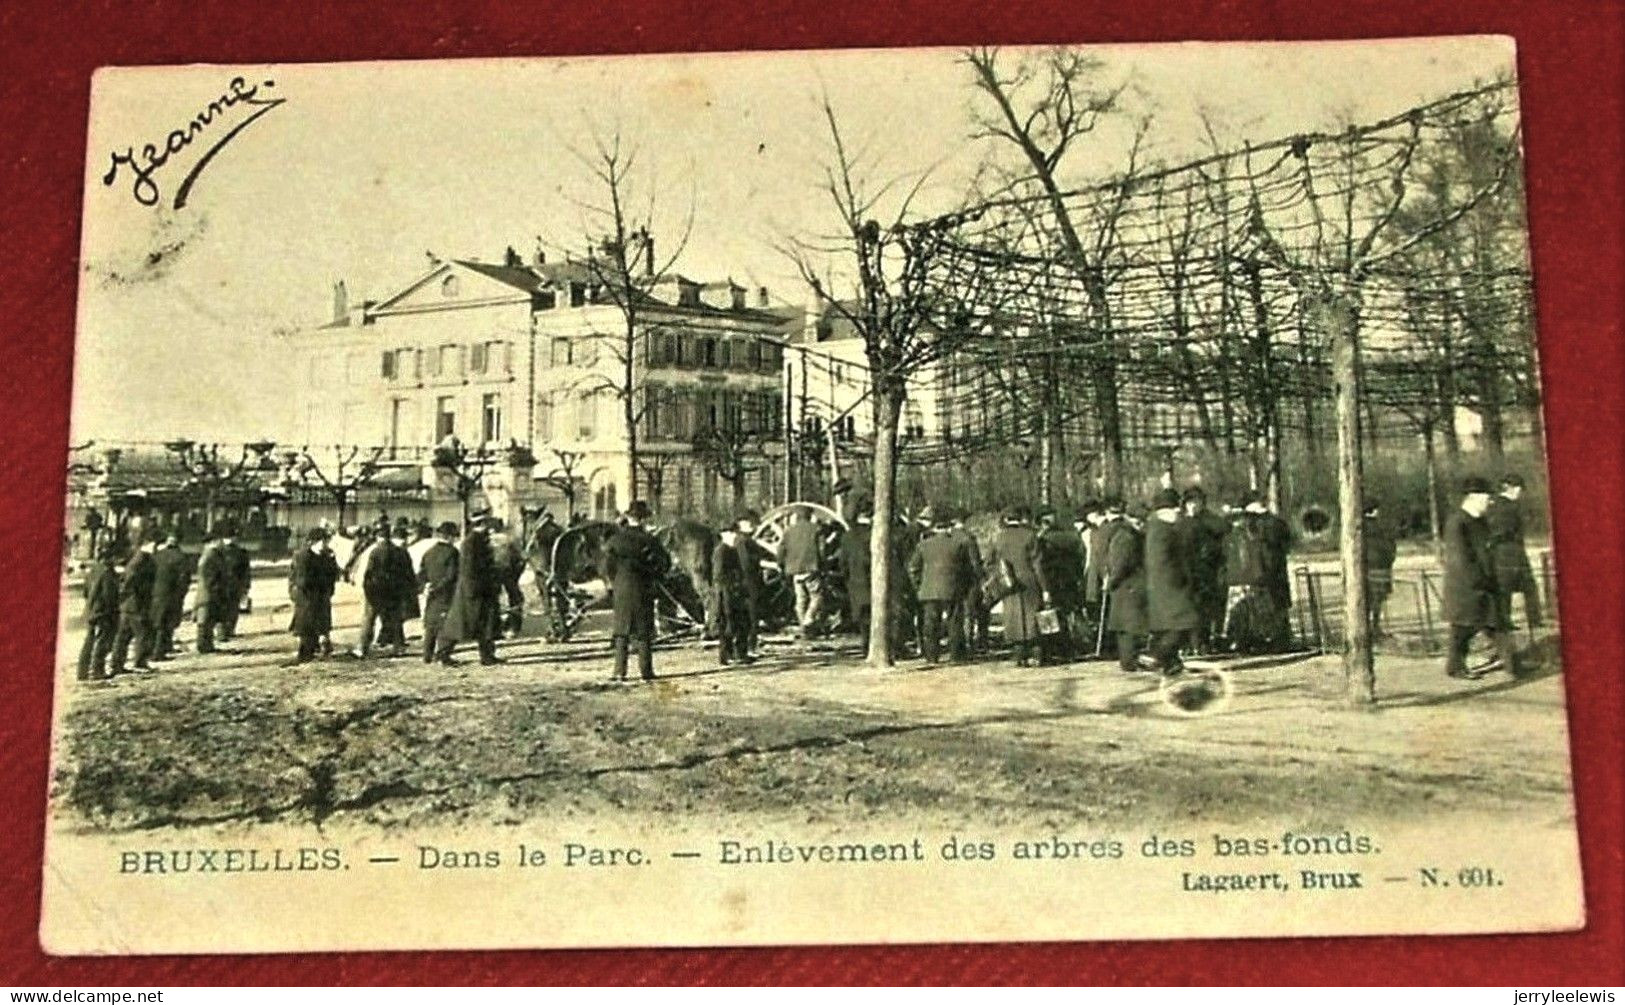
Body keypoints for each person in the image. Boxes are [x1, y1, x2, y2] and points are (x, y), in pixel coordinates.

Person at [1443, 477, 1521, 680]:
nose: (1490, 502)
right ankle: (1456, 667)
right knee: (1463, 629)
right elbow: (1460, 559)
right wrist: (1479, 580)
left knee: (1497, 625)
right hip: (1467, 588)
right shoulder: (1457, 523)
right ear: (1473, 498)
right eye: (1487, 498)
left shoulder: (1480, 522)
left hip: (1485, 585)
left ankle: (1514, 666)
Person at [603, 500, 671, 681]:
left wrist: (615, 582)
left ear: (628, 517)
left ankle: (619, 672)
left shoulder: (615, 540)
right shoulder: (649, 540)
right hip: (643, 589)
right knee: (643, 632)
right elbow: (664, 563)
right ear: (642, 519)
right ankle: (646, 672)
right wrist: (654, 576)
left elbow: (608, 567)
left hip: (621, 590)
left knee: (621, 631)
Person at [437, 510, 504, 666]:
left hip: (483, 590)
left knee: (486, 624)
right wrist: (473, 590)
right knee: (460, 624)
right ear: (482, 524)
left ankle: (487, 656)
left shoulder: (480, 539)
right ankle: (443, 654)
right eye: (487, 522)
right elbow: (468, 569)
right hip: (473, 591)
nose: (490, 526)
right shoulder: (470, 542)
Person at [1145, 489, 1200, 675]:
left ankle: (1172, 664)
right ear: (1166, 512)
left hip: (1163, 585)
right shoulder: (1163, 530)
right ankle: (1157, 655)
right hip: (1171, 585)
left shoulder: (1156, 528)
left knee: (1168, 625)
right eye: (1175, 509)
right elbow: (1166, 560)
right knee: (1186, 622)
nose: (1179, 512)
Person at [988, 505, 1047, 667]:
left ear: (1006, 519)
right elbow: (1038, 565)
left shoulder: (998, 538)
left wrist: (997, 578)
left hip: (1009, 582)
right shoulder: (1030, 536)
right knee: (1032, 616)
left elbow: (989, 562)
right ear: (1020, 519)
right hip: (1030, 580)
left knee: (1013, 616)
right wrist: (1045, 587)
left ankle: (1018, 654)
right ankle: (1036, 654)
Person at [909, 513, 971, 664]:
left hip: (929, 589)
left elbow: (913, 568)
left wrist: (919, 585)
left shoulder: (923, 545)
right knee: (954, 623)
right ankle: (956, 656)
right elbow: (967, 569)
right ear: (949, 528)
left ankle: (931, 656)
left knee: (930, 624)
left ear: (934, 528)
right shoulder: (959, 544)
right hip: (953, 588)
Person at [1485, 474, 1543, 631]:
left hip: (1507, 550)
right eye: (1517, 488)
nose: (1519, 492)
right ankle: (1532, 621)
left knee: (1512, 587)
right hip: (1507, 551)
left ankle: (1517, 621)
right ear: (1509, 487)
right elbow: (1502, 529)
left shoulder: (1493, 504)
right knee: (1512, 587)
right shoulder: (1505, 506)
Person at [1240, 490, 1295, 646]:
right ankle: (1281, 638)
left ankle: (1262, 639)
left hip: (1257, 572)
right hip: (1278, 572)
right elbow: (1287, 545)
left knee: (1260, 607)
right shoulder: (1278, 522)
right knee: (1278, 606)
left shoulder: (1249, 524)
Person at [357, 519, 419, 658]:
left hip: (376, 591)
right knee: (395, 619)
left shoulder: (375, 552)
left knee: (369, 619)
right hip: (394, 592)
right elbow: (408, 573)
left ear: (378, 536)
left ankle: (363, 648)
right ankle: (399, 647)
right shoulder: (401, 552)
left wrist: (368, 589)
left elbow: (369, 574)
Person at [1180, 487, 1229, 653]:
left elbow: (1223, 529)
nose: (1193, 506)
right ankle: (1188, 643)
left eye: (1197, 502)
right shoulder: (1181, 522)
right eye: (1190, 503)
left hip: (1206, 572)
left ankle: (1203, 642)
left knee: (1204, 609)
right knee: (1187, 609)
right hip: (1186, 572)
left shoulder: (1209, 520)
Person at [1035, 506, 1085, 662]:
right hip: (1068, 579)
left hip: (1051, 580)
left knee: (1049, 615)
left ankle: (1051, 649)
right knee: (1067, 614)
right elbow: (1081, 555)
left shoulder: (1040, 539)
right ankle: (1069, 649)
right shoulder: (1070, 536)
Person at [1103, 506, 1148, 673]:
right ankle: (1128, 660)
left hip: (1127, 586)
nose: (1141, 524)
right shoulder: (1127, 537)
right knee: (1128, 626)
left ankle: (1129, 659)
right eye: (1138, 520)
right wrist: (1112, 582)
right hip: (1127, 586)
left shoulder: (1127, 535)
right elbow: (1120, 564)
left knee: (1128, 625)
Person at [287, 527, 341, 666]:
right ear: (313, 542)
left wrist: (332, 567)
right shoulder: (303, 556)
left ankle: (321, 645)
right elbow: (302, 579)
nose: (324, 544)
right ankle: (305, 652)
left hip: (322, 595)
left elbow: (334, 574)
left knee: (322, 622)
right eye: (322, 541)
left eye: (326, 541)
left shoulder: (327, 555)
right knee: (307, 625)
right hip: (306, 596)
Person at [110, 532, 159, 675]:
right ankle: (140, 663)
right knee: (143, 633)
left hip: (129, 605)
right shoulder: (141, 561)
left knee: (123, 635)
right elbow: (128, 583)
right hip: (136, 605)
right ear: (147, 544)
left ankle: (116, 664)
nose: (155, 547)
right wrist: (135, 599)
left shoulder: (141, 559)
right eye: (154, 544)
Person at [710, 519, 754, 665]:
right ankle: (729, 655)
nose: (734, 536)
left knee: (736, 623)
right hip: (726, 593)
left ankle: (734, 654)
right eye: (731, 533)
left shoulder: (730, 550)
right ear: (724, 535)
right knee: (729, 623)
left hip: (732, 591)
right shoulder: (721, 551)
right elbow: (719, 575)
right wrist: (734, 584)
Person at [418, 521, 460, 664]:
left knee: (431, 624)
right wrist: (439, 587)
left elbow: (421, 573)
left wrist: (427, 586)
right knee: (448, 624)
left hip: (431, 593)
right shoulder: (453, 552)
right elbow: (452, 575)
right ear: (449, 537)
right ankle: (443, 655)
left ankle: (427, 655)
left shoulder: (429, 552)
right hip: (447, 593)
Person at [779, 507, 824, 639]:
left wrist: (781, 565)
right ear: (810, 516)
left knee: (801, 599)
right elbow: (822, 549)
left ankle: (804, 628)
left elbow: (781, 551)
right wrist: (823, 564)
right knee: (817, 596)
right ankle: (808, 619)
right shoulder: (816, 529)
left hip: (794, 571)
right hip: (811, 568)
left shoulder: (788, 531)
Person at [77, 546, 120, 681]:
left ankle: (82, 672)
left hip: (91, 611)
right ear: (111, 559)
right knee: (102, 641)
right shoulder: (107, 573)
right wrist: (114, 610)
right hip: (103, 613)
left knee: (89, 641)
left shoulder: (93, 570)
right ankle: (97, 670)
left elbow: (85, 591)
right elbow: (109, 596)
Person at [948, 511, 989, 654]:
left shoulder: (948, 537)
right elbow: (975, 563)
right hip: (969, 580)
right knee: (969, 612)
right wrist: (982, 578)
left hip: (951, 580)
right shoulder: (968, 538)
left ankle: (956, 644)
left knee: (954, 613)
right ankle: (969, 643)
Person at [149, 531, 192, 660]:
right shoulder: (181, 558)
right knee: (167, 623)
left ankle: (154, 650)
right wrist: (181, 594)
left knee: (157, 622)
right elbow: (184, 579)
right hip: (172, 595)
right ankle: (160, 652)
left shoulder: (156, 556)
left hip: (155, 593)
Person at [1362, 500, 1398, 638]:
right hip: (1380, 567)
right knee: (1377, 600)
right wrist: (1390, 559)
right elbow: (1391, 546)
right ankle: (1374, 626)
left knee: (1369, 600)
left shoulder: (1360, 527)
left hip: (1368, 568)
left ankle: (1370, 627)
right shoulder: (1380, 527)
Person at [489, 516, 528, 637]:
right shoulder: (511, 539)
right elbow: (522, 558)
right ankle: (514, 626)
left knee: (493, 600)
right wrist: (517, 574)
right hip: (509, 572)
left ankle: (494, 628)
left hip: (493, 573)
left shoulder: (487, 540)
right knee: (515, 597)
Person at [840, 506, 873, 641]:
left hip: (855, 580)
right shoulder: (874, 533)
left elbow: (843, 561)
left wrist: (845, 576)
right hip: (873, 579)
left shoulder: (847, 536)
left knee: (863, 615)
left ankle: (865, 644)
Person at [218, 522, 251, 642]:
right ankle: (226, 631)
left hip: (228, 585)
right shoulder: (240, 552)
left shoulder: (219, 551)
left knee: (229, 608)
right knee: (230, 608)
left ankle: (225, 631)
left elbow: (246, 571)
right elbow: (246, 572)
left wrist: (246, 585)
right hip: (231, 584)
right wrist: (246, 586)